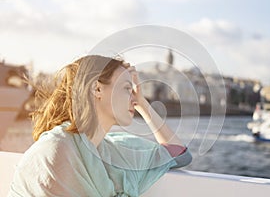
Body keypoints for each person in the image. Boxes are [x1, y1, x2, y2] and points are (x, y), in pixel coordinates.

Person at [8, 55, 192, 197]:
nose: (133, 97)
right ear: (97, 89)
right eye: (127, 88)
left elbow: (179, 154)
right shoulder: (56, 149)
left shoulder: (109, 151)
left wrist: (143, 103)